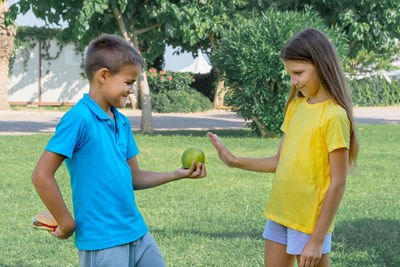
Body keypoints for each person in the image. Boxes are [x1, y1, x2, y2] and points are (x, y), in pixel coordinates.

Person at [31, 33, 206, 267]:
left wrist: (177, 174)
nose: (131, 91)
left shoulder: (121, 122)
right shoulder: (78, 119)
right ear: (104, 75)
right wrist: (67, 223)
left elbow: (134, 177)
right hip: (103, 242)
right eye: (128, 83)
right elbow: (41, 175)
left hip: (137, 233)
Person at [207, 28, 359, 267]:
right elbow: (280, 161)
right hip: (280, 213)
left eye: (298, 73)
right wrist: (234, 160)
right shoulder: (296, 107)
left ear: (321, 64)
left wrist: (317, 240)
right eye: (290, 74)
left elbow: (338, 182)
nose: (293, 81)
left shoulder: (334, 116)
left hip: (309, 223)